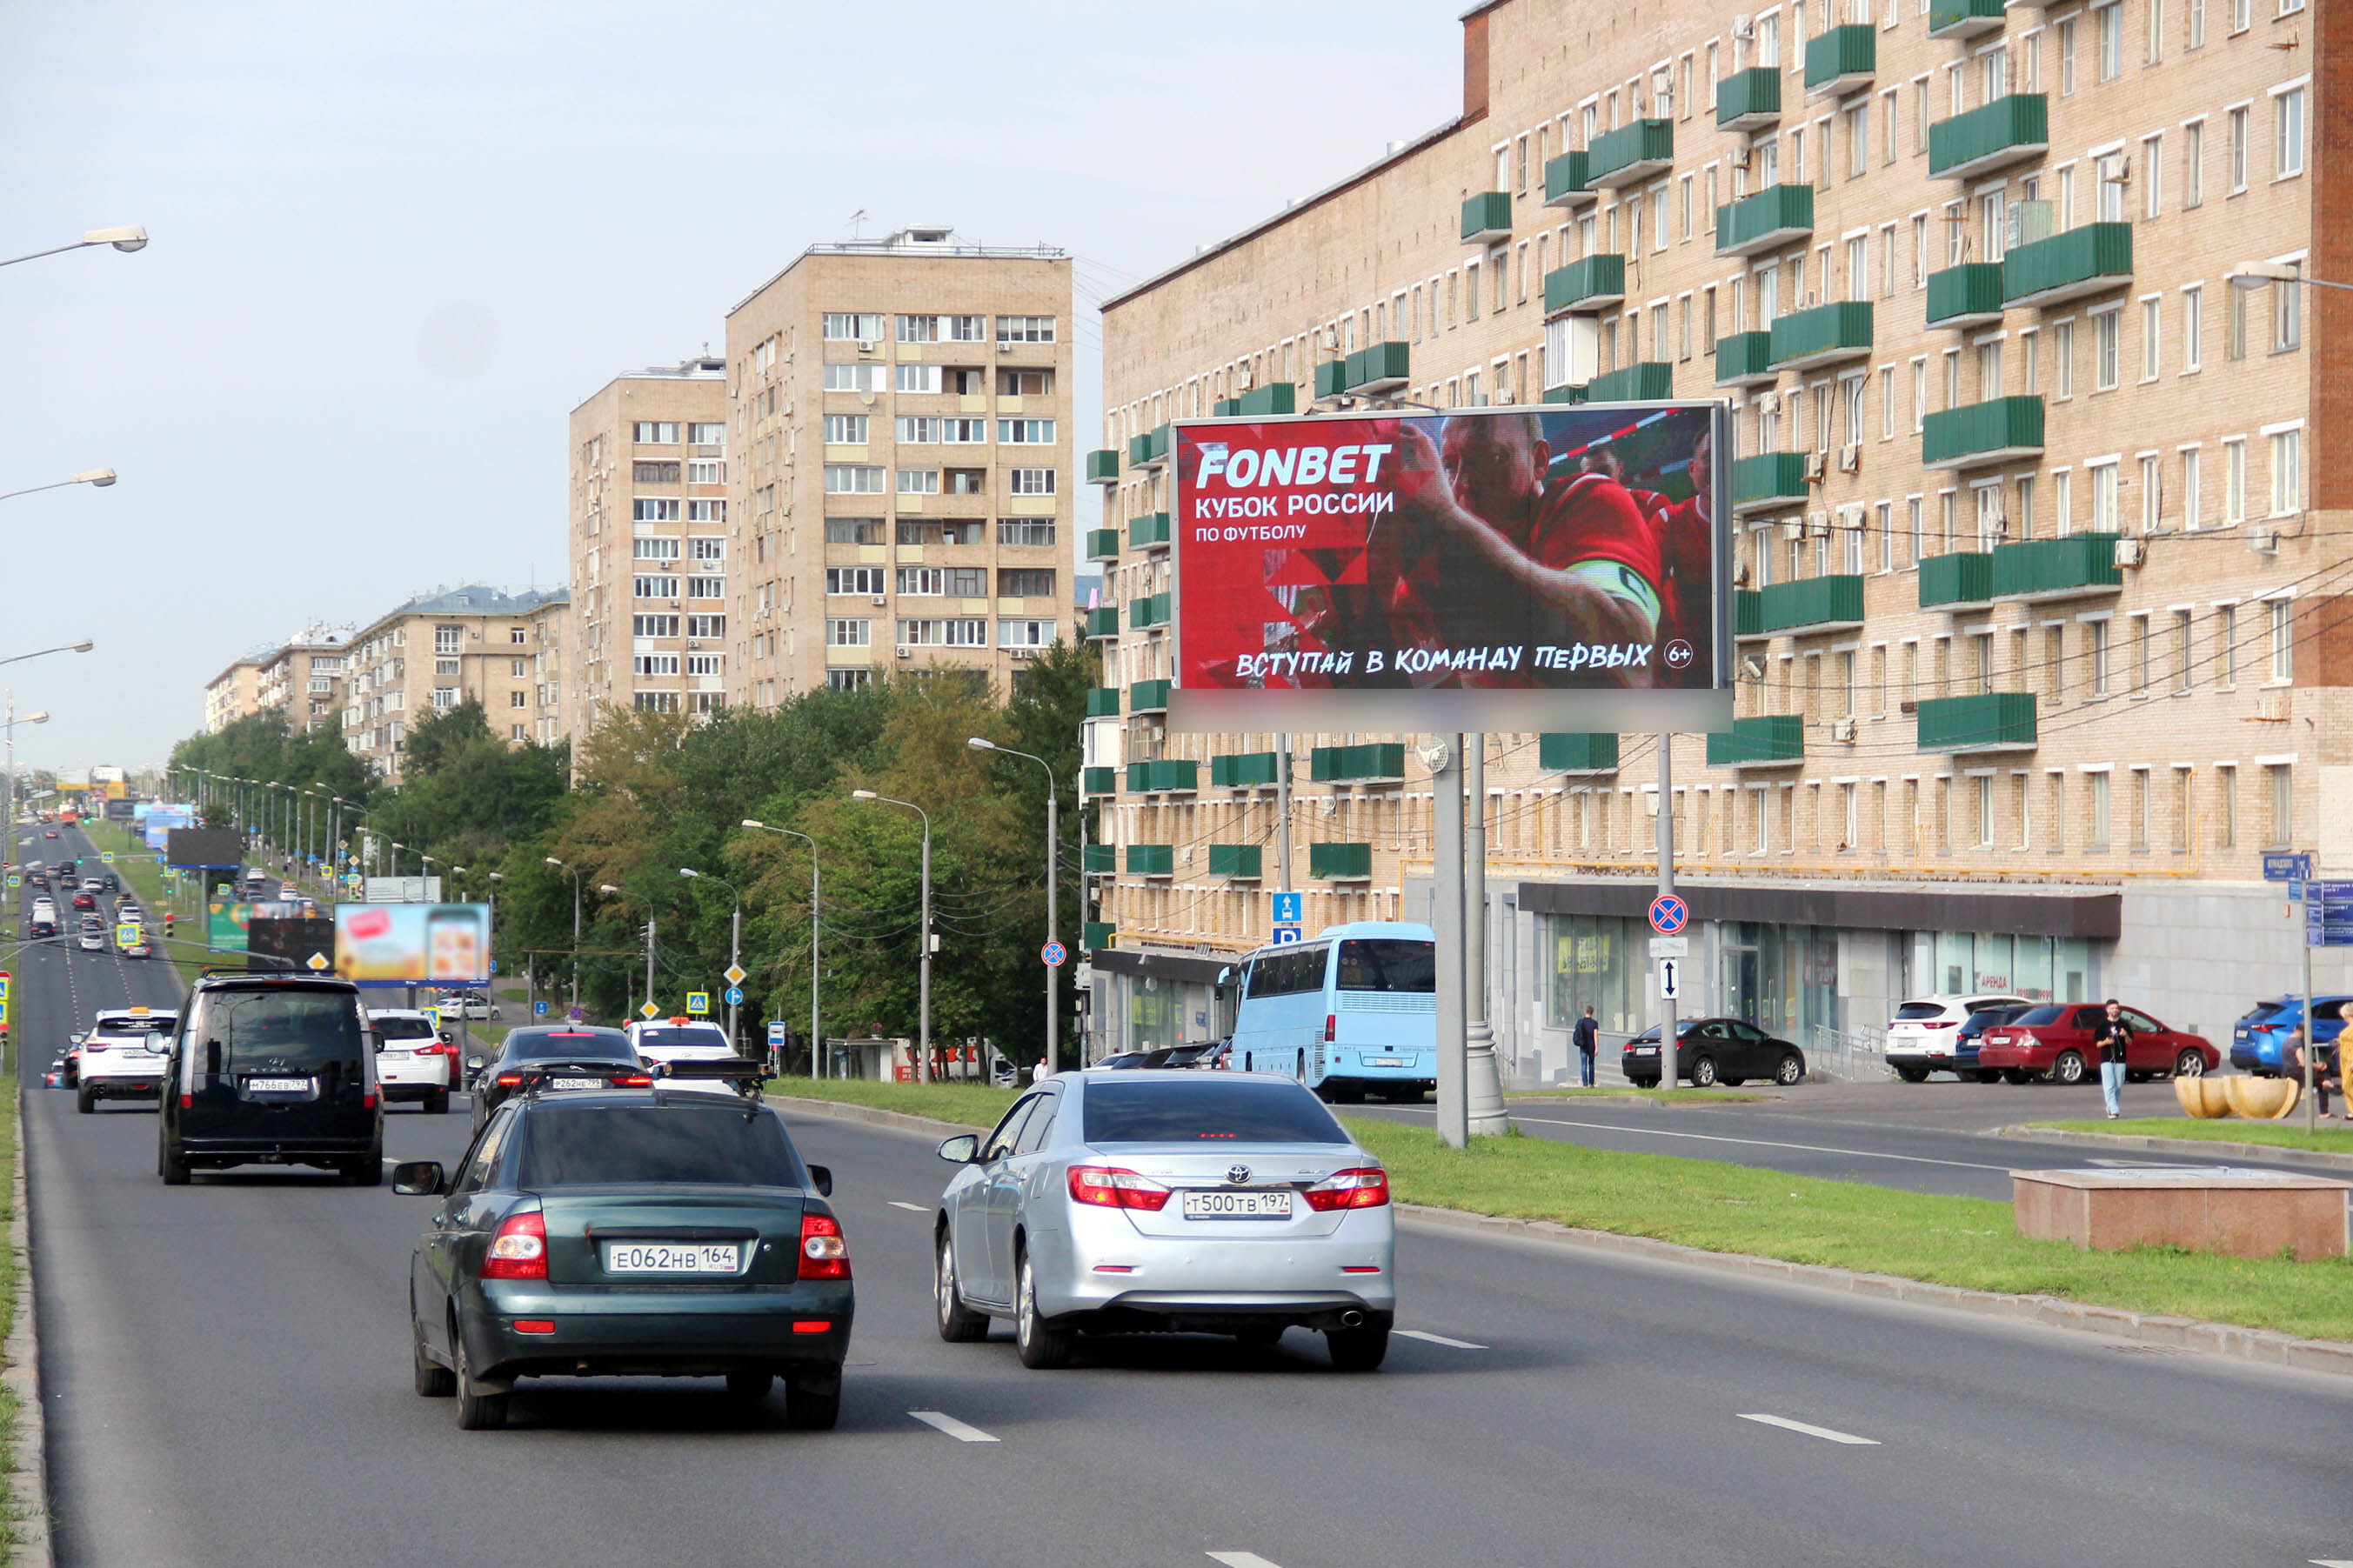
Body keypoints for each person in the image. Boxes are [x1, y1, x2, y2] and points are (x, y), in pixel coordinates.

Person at [2091, 998, 2132, 1119]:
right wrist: (2106, 1042)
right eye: (2112, 1008)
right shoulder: (2102, 1024)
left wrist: (2126, 1036)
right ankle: (2114, 1110)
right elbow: (2097, 1044)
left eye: (2116, 1008)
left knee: (2118, 1085)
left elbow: (2130, 1042)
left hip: (2120, 1059)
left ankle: (2111, 1105)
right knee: (2109, 1085)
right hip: (2106, 1059)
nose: (2114, 1011)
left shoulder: (2124, 1024)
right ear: (2107, 1010)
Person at [1572, 1004, 1600, 1088]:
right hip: (1591, 1047)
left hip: (1583, 1046)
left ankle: (1585, 1084)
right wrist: (1596, 1048)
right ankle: (1591, 1084)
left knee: (1583, 1065)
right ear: (1592, 1012)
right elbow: (1595, 1035)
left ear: (1585, 1011)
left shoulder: (1580, 1022)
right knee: (1591, 1065)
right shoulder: (1594, 1023)